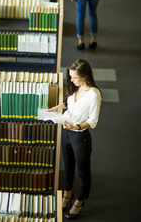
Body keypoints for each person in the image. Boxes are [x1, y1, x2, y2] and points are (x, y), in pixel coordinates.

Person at [47, 59, 101, 219]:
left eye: (74, 77)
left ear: (85, 76)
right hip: (66, 132)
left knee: (82, 172)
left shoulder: (94, 95)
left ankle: (80, 200)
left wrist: (75, 127)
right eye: (70, 77)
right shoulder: (73, 87)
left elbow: (93, 121)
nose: (71, 80)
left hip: (80, 136)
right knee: (68, 165)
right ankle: (67, 194)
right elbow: (72, 104)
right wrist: (61, 106)